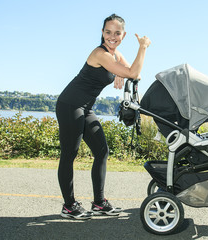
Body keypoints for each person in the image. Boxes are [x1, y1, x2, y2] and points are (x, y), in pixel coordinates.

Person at [56, 14, 151, 219]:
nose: (112, 36)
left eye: (117, 33)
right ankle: (69, 206)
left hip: (85, 108)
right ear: (102, 33)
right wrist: (143, 47)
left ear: (123, 35)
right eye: (108, 32)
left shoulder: (115, 55)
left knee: (102, 151)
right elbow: (133, 72)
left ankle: (99, 203)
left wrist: (119, 72)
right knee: (69, 155)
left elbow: (137, 73)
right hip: (70, 104)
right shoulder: (100, 54)